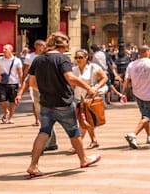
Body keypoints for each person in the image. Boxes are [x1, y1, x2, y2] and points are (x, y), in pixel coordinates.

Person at [25, 32, 101, 178]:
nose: (68, 45)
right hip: (63, 102)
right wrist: (88, 87)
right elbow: (70, 77)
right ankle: (84, 159)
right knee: (74, 132)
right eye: (66, 42)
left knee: (43, 132)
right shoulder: (62, 58)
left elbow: (32, 83)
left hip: (46, 102)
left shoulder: (38, 59)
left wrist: (46, 90)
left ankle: (33, 165)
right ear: (59, 44)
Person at [124, 45, 150, 149]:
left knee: (144, 116)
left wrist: (123, 93)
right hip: (149, 94)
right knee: (147, 117)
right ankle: (133, 134)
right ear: (147, 51)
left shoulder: (131, 64)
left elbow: (126, 80)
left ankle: (149, 136)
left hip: (137, 94)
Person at [73, 49, 109, 150]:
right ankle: (93, 141)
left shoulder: (93, 67)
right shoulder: (74, 69)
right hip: (78, 98)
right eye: (76, 57)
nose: (78, 59)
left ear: (86, 57)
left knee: (82, 121)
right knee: (85, 120)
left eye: (80, 57)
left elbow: (105, 78)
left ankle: (77, 145)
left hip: (89, 99)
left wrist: (96, 87)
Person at [0, 44, 23, 124]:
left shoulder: (17, 60)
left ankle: (10, 118)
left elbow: (20, 73)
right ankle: (6, 111)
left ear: (11, 50)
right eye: (3, 49)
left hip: (14, 83)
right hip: (2, 83)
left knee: (13, 102)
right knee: (1, 100)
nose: (4, 50)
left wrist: (21, 84)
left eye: (6, 49)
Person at [22, 40, 44, 127]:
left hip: (44, 81)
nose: (42, 47)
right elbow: (25, 70)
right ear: (36, 46)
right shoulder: (29, 57)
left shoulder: (46, 56)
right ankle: (37, 119)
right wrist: (23, 83)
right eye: (40, 45)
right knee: (35, 101)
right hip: (33, 81)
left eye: (43, 45)